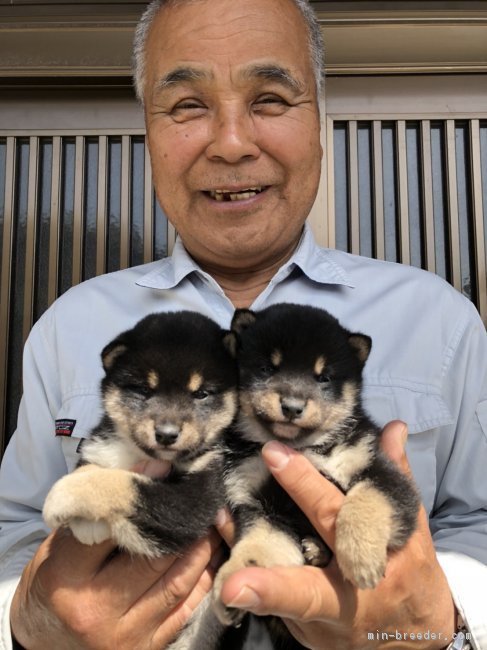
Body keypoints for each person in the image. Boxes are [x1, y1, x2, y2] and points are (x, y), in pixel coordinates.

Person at [0, 0, 486, 648]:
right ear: (149, 128)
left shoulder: (437, 320)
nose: (231, 143)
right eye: (187, 105)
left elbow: (477, 521)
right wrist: (27, 619)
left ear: (318, 116)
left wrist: (440, 622)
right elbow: (16, 532)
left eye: (270, 98)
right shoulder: (70, 326)